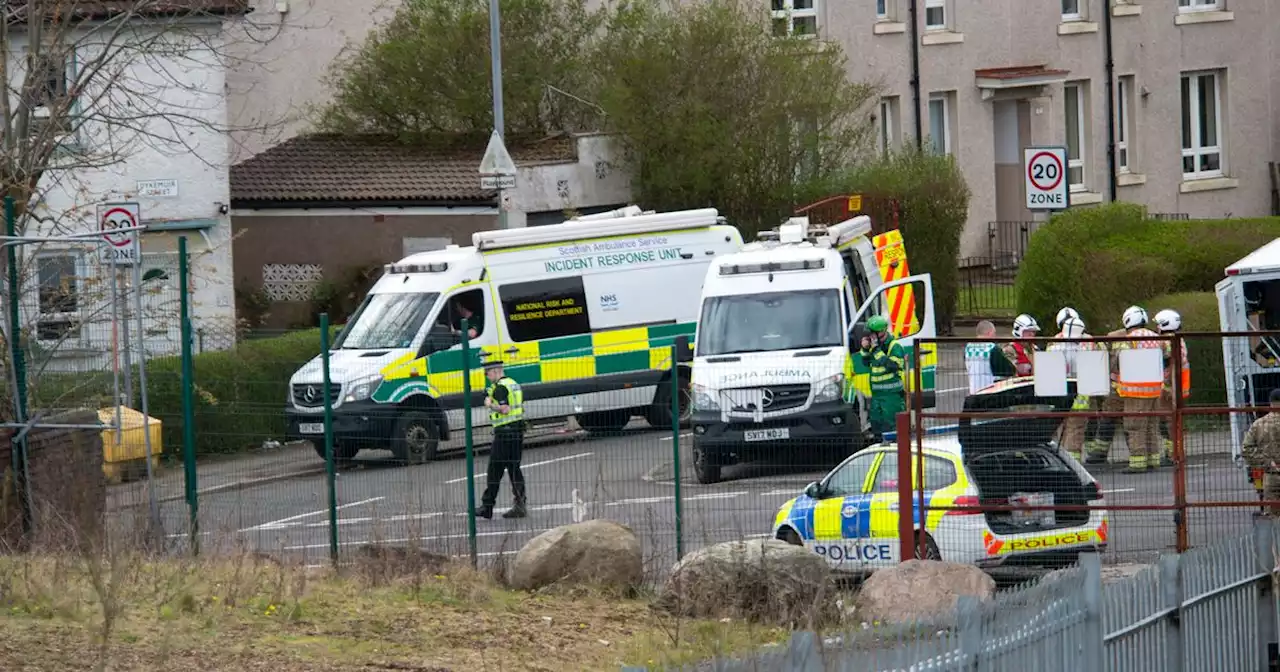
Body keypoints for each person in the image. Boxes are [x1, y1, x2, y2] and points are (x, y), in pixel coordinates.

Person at [1114, 306, 1164, 474]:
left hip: (1136, 391)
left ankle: (1137, 462)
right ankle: (1153, 459)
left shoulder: (1129, 339)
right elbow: (1166, 354)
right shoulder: (1156, 337)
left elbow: (1118, 360)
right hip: (1155, 390)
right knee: (1151, 426)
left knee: (1135, 426)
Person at [477, 360, 527, 519]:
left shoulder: (500, 388)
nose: (487, 376)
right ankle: (520, 504)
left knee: (494, 471)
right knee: (514, 469)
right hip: (517, 431)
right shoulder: (514, 384)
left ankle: (487, 506)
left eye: (488, 373)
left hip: (505, 434)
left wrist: (490, 404)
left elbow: (505, 409)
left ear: (496, 371)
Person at [1048, 315, 1097, 461]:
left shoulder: (1053, 346)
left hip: (1058, 395)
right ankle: (1073, 462)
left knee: (1062, 429)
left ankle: (1062, 460)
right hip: (1080, 395)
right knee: (1075, 429)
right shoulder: (1086, 346)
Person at [859, 315, 906, 439]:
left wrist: (876, 351)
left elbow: (894, 365)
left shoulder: (894, 346)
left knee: (892, 429)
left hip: (891, 396)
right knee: (877, 428)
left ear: (880, 333)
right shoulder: (875, 346)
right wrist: (865, 349)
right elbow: (865, 363)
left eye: (871, 334)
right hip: (877, 396)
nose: (869, 337)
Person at [1154, 309, 1189, 467]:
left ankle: (1174, 454)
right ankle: (1173, 452)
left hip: (1169, 386)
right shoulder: (1177, 339)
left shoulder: (1166, 341)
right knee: (1172, 422)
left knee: (1168, 422)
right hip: (1178, 385)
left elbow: (1165, 361)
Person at [1241, 388, 1280, 516]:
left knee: (1273, 519)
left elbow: (1246, 449)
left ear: (1270, 403)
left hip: (1272, 476)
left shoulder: (1259, 424)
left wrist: (1267, 463)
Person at [965, 320, 1017, 393]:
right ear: (989, 333)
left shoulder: (968, 347)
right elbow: (1007, 370)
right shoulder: (992, 348)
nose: (995, 336)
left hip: (974, 390)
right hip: (989, 390)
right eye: (994, 333)